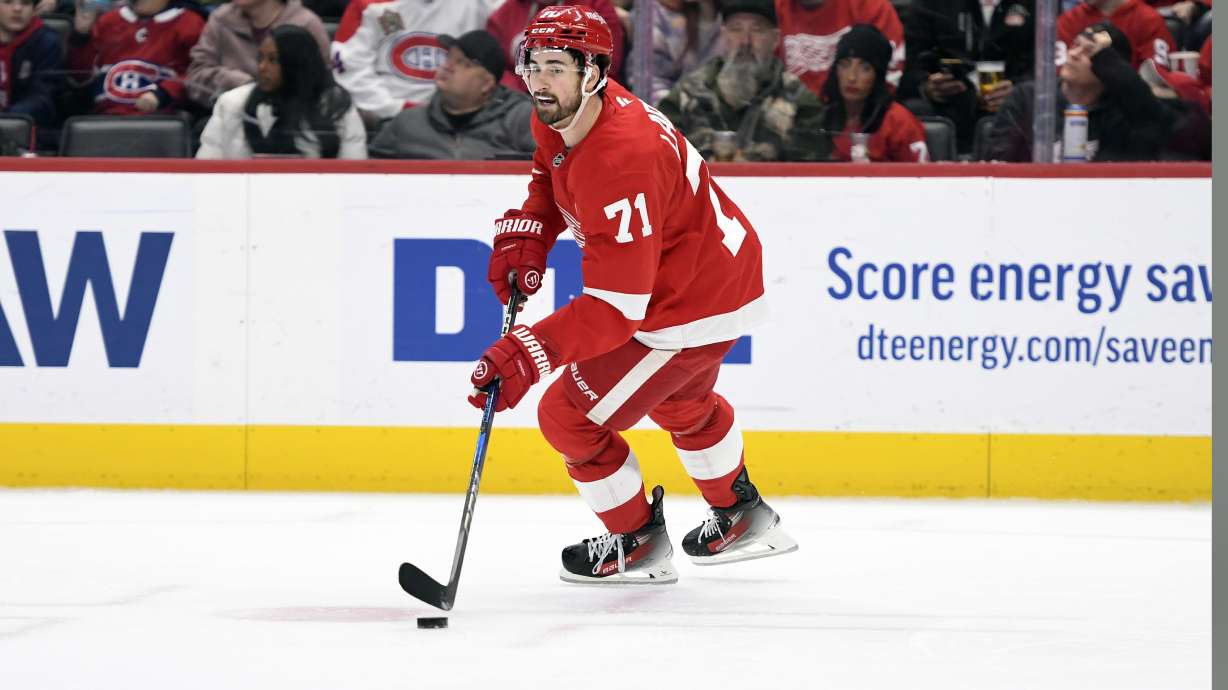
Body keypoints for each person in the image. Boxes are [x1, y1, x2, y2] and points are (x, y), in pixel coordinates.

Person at [467, 5, 797, 585]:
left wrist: (526, 351)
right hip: (712, 274)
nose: (540, 82)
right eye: (533, 65)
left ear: (592, 72)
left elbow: (616, 311)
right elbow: (551, 174)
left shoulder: (624, 158)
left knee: (568, 415)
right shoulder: (564, 112)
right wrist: (532, 233)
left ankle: (636, 541)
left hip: (688, 301)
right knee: (681, 403)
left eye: (556, 68)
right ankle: (742, 516)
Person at [656, 0, 831, 161]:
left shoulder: (799, 100)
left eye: (757, 30)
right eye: (736, 29)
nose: (745, 41)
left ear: (776, 39)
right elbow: (660, 150)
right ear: (724, 35)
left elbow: (811, 169)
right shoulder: (689, 93)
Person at [987, 23, 1175, 161]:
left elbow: (1161, 123)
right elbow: (999, 158)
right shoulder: (1028, 98)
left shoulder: (1123, 113)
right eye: (1075, 45)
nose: (1074, 54)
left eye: (1088, 53)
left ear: (1111, 69)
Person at [197, 24, 367, 158]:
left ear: (297, 64)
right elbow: (207, 168)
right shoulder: (232, 104)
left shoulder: (335, 107)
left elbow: (353, 175)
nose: (262, 67)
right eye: (261, 58)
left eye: (273, 60)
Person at [370, 29, 535, 158]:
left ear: (486, 84)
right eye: (449, 57)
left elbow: (551, 171)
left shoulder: (522, 119)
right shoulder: (407, 123)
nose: (448, 66)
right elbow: (370, 175)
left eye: (463, 63)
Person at [331, 0, 499, 126]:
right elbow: (348, 66)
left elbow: (507, 55)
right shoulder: (371, 5)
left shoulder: (485, 4)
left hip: (466, 117)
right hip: (385, 120)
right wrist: (393, 108)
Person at [900, 0, 1034, 152]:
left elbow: (1045, 68)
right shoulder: (930, 4)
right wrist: (927, 86)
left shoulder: (1036, 7)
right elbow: (909, 68)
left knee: (1032, 105)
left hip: (1013, 110)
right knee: (914, 108)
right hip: (947, 107)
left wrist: (1017, 90)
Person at [66, 0, 205, 115]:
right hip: (104, 115)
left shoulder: (190, 23)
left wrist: (162, 93)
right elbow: (81, 76)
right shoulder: (108, 21)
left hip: (161, 118)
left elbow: (197, 74)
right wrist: (81, 37)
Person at [186, 0, 331, 108]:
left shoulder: (307, 23)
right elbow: (196, 76)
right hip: (226, 112)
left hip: (293, 118)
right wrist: (242, 84)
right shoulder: (220, 19)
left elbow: (322, 84)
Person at [822, 23, 928, 161]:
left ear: (878, 76)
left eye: (865, 68)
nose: (852, 77)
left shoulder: (899, 122)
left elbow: (920, 178)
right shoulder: (821, 116)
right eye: (845, 65)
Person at [485, 0, 625, 92]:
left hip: (581, 103)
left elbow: (605, 67)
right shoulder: (506, 13)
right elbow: (490, 68)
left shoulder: (595, 5)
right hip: (519, 103)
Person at [774, 0, 905, 97]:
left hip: (857, 118)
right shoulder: (771, 10)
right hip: (789, 117)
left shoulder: (870, 6)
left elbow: (890, 76)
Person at [625, 0, 723, 104]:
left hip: (702, 104)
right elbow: (649, 83)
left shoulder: (707, 14)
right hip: (665, 108)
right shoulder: (649, 16)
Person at [0, 0, 63, 129]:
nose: (17, 9)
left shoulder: (47, 42)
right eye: (8, 2)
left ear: (35, 9)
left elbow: (43, 99)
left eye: (25, 3)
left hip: (28, 131)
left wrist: (6, 118)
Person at [1057, 0, 1175, 68]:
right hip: (1079, 102)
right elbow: (1059, 73)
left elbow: (1158, 76)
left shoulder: (1148, 20)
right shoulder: (1068, 20)